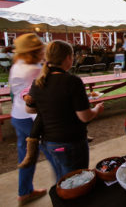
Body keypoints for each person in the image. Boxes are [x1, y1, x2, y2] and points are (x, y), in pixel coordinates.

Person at [26, 40, 104, 181]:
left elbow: (29, 109)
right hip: (71, 142)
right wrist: (97, 109)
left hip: (49, 143)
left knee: (61, 180)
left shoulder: (39, 81)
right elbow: (85, 116)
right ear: (68, 57)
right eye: (72, 56)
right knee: (76, 181)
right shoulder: (73, 81)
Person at [9, 33, 55, 206]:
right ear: (34, 52)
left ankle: (25, 192)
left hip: (18, 117)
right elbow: (41, 95)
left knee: (27, 155)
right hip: (31, 119)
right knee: (53, 153)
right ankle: (64, 188)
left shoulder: (17, 65)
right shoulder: (33, 70)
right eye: (40, 49)